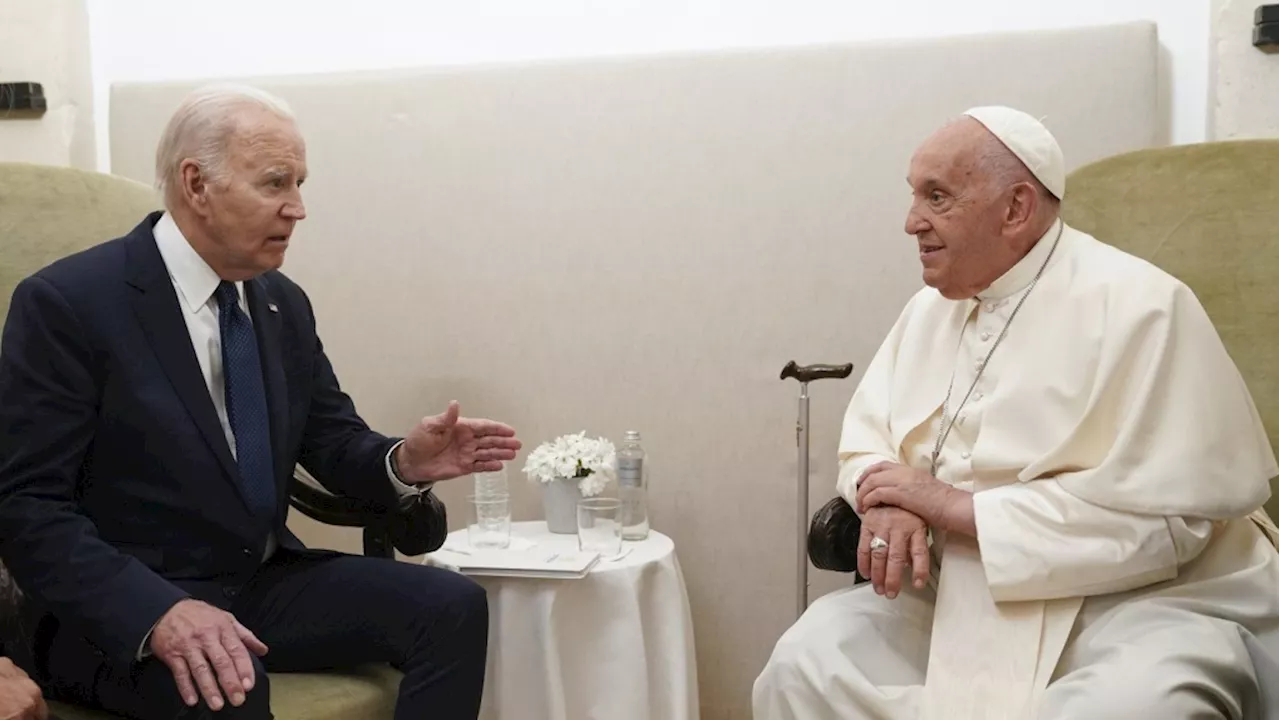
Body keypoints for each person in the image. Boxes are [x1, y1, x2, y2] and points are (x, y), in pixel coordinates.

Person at [0, 83, 522, 719]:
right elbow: (29, 508)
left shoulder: (280, 303)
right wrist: (156, 612)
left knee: (452, 607)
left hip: (258, 582)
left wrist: (404, 463)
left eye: (300, 183)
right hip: (120, 609)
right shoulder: (69, 304)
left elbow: (332, 442)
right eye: (276, 183)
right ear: (196, 184)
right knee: (227, 680)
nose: (297, 208)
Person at [752, 106, 1280, 719]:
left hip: (1138, 601)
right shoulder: (927, 312)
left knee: (1131, 706)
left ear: (1016, 208)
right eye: (914, 195)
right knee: (804, 665)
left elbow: (1173, 526)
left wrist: (953, 507)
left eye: (938, 197)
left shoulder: (1145, 307)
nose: (910, 222)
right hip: (959, 592)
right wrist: (887, 500)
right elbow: (868, 442)